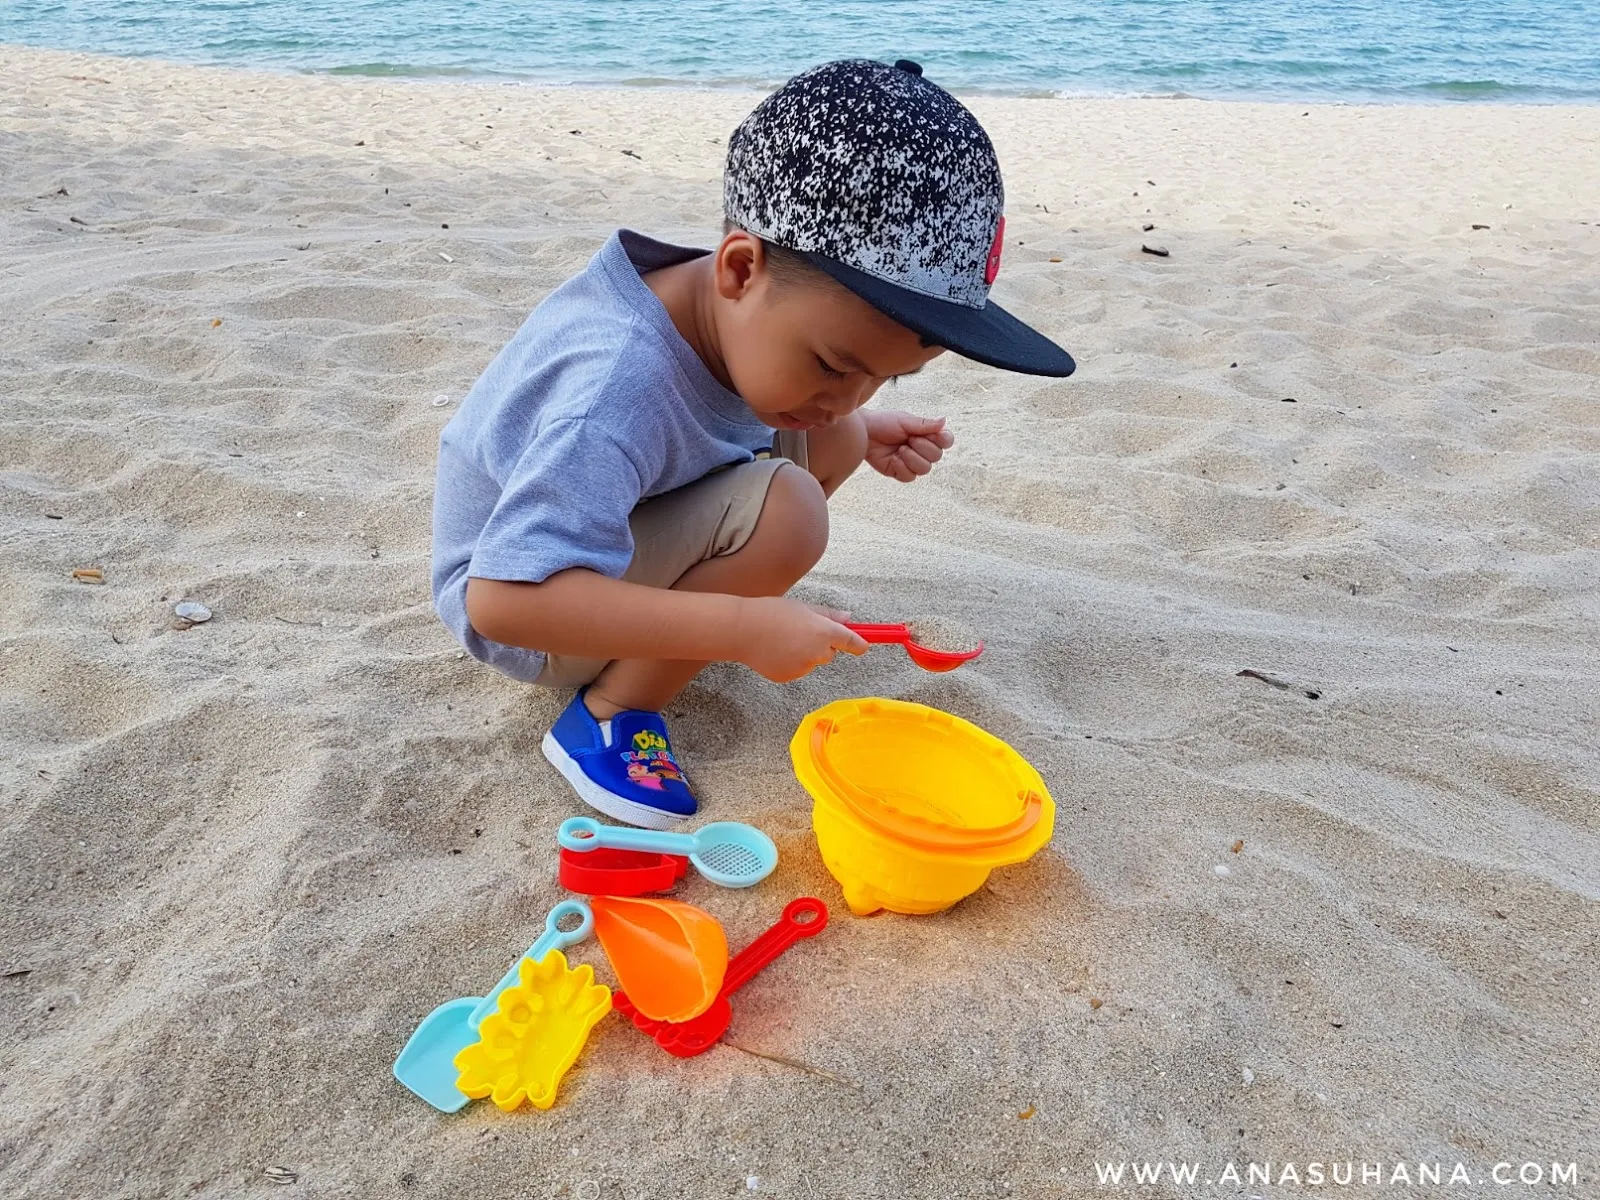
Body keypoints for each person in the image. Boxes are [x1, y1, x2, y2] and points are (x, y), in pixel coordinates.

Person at [430, 58, 1075, 829]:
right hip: (534, 614)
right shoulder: (611, 390)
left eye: (886, 381)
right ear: (741, 268)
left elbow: (737, 406)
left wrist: (857, 430)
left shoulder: (729, 306)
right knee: (791, 513)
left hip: (590, 544)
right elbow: (500, 602)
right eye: (839, 365)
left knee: (825, 435)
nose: (855, 392)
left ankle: (692, 613)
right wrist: (737, 627)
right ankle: (606, 712)